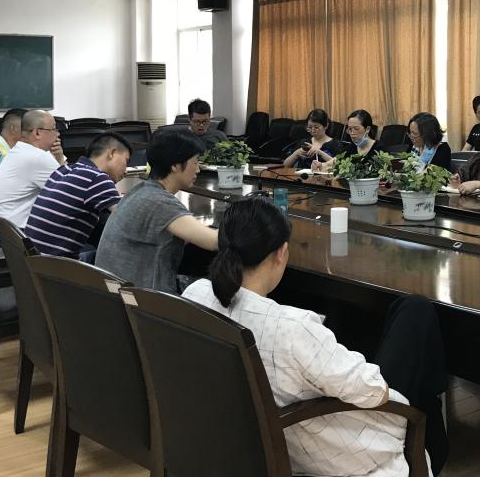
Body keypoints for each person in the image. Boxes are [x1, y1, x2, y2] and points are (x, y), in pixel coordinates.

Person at [182, 195, 448, 477]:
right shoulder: (291, 328)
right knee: (416, 313)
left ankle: (437, 441)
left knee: (407, 320)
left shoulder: (196, 295)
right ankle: (435, 444)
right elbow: (373, 389)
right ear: (281, 253)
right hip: (329, 450)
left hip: (247, 439)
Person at [95, 128, 219, 293]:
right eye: (195, 162)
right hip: (141, 299)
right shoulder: (158, 202)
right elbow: (214, 241)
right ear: (175, 165)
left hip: (115, 293)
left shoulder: (140, 191)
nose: (198, 169)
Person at [26, 132, 132, 259]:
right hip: (56, 265)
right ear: (112, 153)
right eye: (126, 161)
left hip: (33, 260)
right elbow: (128, 220)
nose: (126, 170)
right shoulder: (97, 178)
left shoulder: (64, 170)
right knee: (121, 254)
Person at [0, 109, 66, 229]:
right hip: (10, 238)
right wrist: (60, 159)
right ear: (37, 133)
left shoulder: (19, 151)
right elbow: (69, 194)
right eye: (54, 129)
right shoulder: (37, 157)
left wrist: (59, 158)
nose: (57, 134)